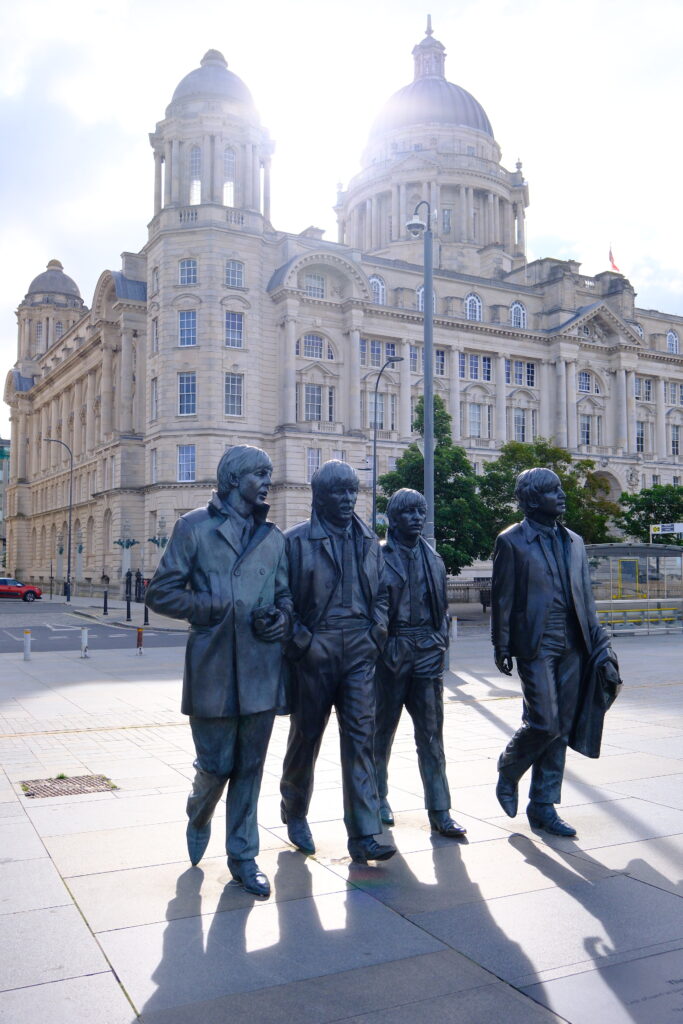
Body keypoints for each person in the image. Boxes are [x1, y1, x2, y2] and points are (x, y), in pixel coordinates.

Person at [145, 445, 291, 897]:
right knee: (215, 765)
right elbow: (161, 593)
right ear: (232, 479)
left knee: (250, 767)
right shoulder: (194, 528)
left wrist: (280, 618)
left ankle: (243, 856)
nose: (267, 481)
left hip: (261, 668)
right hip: (212, 667)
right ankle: (198, 811)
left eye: (268, 474)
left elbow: (285, 597)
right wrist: (210, 606)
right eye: (258, 474)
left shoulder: (273, 537)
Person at [491, 467, 620, 837]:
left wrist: (601, 645)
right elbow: (503, 598)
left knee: (560, 727)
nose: (562, 495)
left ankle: (544, 806)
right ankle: (509, 767)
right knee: (543, 721)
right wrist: (501, 643)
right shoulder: (512, 541)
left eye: (561, 489)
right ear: (533, 499)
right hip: (535, 641)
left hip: (575, 641)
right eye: (553, 491)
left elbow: (587, 599)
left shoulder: (575, 542)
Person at [280, 460, 395, 864]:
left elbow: (382, 595)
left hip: (360, 652)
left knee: (362, 738)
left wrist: (376, 633)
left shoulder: (369, 541)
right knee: (306, 737)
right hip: (315, 652)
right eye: (338, 492)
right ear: (319, 497)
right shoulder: (294, 542)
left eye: (352, 491)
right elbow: (282, 602)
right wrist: (303, 643)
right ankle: (294, 809)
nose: (348, 500)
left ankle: (364, 833)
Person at [375, 488, 466, 838]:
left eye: (420, 512)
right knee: (380, 733)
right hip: (392, 650)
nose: (416, 518)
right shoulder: (378, 557)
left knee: (431, 736)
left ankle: (440, 810)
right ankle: (377, 797)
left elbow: (441, 606)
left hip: (427, 651)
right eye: (408, 512)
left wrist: (439, 639)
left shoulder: (434, 559)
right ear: (394, 518)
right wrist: (381, 646)